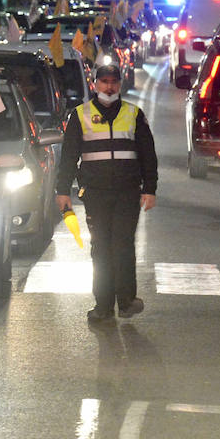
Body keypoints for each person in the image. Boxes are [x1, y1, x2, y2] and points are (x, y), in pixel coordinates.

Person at [54, 62, 158, 324]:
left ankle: (126, 302)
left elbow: (148, 154)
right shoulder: (80, 115)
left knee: (122, 246)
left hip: (127, 191)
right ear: (95, 84)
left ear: (119, 84)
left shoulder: (134, 114)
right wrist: (62, 189)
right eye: (104, 81)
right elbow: (69, 156)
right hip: (96, 193)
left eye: (113, 81)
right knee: (100, 248)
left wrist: (150, 188)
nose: (109, 86)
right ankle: (102, 306)